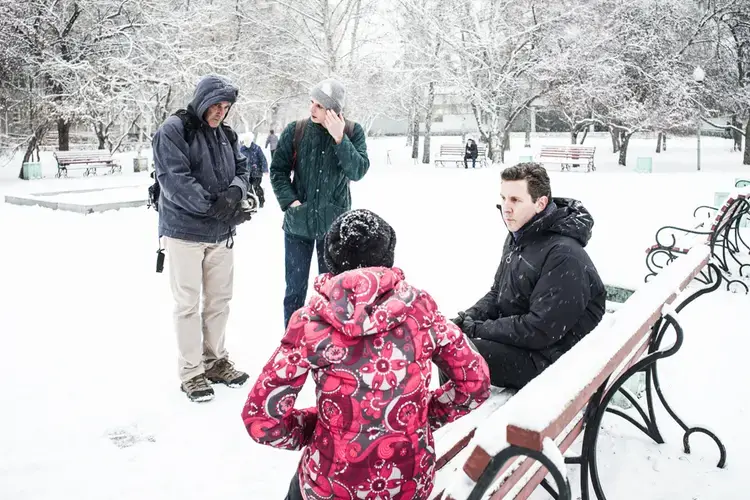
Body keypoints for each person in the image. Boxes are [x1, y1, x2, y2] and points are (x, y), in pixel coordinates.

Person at [241, 209, 491, 500]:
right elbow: (476, 382)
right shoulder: (420, 310)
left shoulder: (309, 323)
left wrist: (313, 429)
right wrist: (421, 418)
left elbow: (262, 418)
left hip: (331, 486)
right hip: (408, 482)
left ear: (329, 261)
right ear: (388, 258)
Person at [453, 162, 606, 390]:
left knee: (456, 353)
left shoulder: (563, 254)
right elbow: (499, 293)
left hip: (554, 362)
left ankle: (457, 422)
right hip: (533, 347)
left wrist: (476, 328)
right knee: (452, 340)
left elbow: (540, 329)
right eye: (503, 198)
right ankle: (454, 417)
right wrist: (467, 318)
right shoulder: (521, 237)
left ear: (540, 203)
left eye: (515, 200)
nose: (506, 208)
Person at [152, 74, 253, 403]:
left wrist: (236, 193)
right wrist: (218, 209)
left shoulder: (226, 134)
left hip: (220, 235)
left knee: (219, 302)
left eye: (226, 107)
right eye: (215, 105)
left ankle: (214, 361)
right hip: (184, 233)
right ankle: (192, 372)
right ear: (202, 100)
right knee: (187, 305)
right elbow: (174, 181)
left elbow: (243, 168)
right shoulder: (174, 130)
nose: (220, 112)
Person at [270, 78, 370, 328]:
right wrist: (291, 201)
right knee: (294, 290)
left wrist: (340, 140)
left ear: (333, 110)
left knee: (335, 292)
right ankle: (292, 342)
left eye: (319, 106)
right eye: (311, 103)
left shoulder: (352, 131)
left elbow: (357, 171)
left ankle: (332, 342)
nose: (312, 109)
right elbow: (278, 170)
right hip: (297, 226)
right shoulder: (296, 130)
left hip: (334, 229)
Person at [239, 133, 267, 207]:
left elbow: (263, 159)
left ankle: (261, 201)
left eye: (248, 140)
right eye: (245, 141)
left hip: (257, 172)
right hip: (246, 172)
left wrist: (265, 169)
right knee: (248, 187)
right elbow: (239, 160)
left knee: (256, 186)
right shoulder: (242, 149)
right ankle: (251, 201)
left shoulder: (257, 148)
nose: (246, 142)